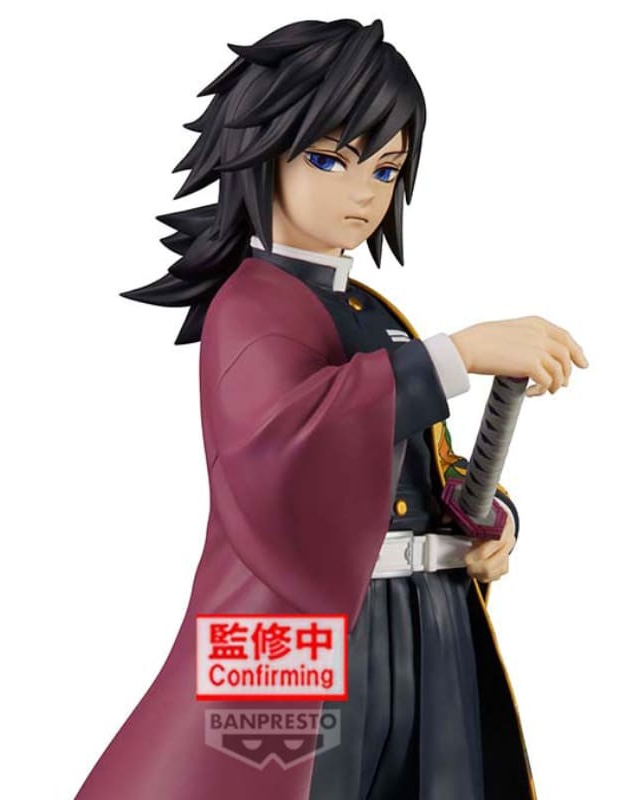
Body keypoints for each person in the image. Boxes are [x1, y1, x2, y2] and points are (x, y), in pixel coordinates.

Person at [74, 18, 587, 800]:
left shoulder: (376, 312)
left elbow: (429, 468)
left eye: (386, 169)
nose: (362, 194)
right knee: (278, 788)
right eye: (328, 160)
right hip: (286, 636)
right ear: (262, 152)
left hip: (429, 614)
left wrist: (490, 519)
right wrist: (457, 354)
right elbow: (283, 451)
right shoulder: (249, 306)